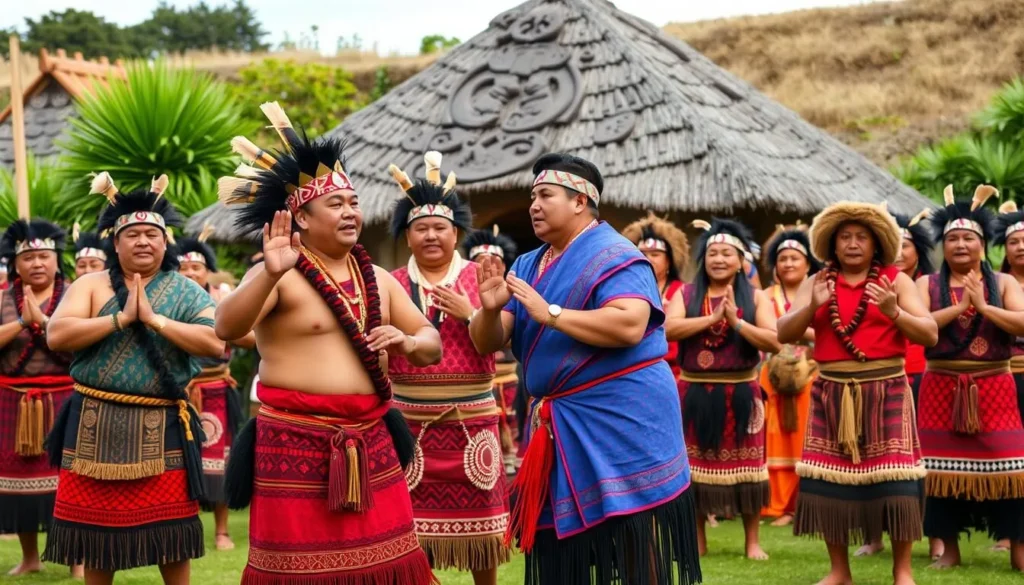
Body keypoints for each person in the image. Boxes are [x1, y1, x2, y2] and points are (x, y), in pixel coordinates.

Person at [214, 103, 439, 585]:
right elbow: (226, 328)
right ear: (301, 217)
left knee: (390, 562)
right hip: (294, 439)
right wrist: (267, 274)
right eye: (336, 205)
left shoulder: (378, 277)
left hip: (372, 437)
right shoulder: (278, 273)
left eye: (353, 203)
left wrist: (406, 339)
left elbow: (432, 341)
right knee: (297, 570)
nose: (350, 212)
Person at [469, 153, 701, 585]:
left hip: (619, 411)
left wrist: (550, 312)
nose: (534, 205)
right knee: (561, 538)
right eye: (532, 196)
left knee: (629, 530)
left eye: (545, 195)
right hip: (558, 419)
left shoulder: (617, 254)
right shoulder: (526, 264)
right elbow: (487, 340)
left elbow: (631, 323)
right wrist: (487, 309)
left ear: (580, 201)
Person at [42, 172, 225, 585]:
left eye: (152, 234)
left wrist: (156, 320)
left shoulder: (186, 291)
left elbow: (215, 343)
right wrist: (120, 319)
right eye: (133, 234)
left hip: (162, 422)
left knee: (172, 531)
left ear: (166, 242)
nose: (143, 241)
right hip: (94, 419)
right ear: (115, 240)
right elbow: (58, 334)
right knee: (93, 533)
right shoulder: (90, 284)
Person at [779, 201, 937, 585]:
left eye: (861, 237)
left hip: (888, 389)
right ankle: (839, 571)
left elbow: (929, 333)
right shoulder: (816, 282)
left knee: (897, 481)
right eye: (845, 237)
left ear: (876, 243)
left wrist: (894, 311)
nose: (852, 244)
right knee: (827, 479)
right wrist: (811, 308)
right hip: (831, 391)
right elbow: (783, 333)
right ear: (833, 245)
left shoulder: (895, 280)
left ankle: (902, 572)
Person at [387, 153, 511, 583]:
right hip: (409, 420)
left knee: (482, 527)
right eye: (421, 227)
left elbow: (493, 342)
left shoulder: (481, 276)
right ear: (408, 236)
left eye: (440, 227)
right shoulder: (392, 283)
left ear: (456, 233)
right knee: (404, 526)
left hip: (470, 418)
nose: (431, 235)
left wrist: (470, 312)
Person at [916, 185, 1024, 572]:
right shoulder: (925, 285)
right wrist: (960, 307)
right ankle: (950, 550)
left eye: (968, 238)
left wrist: (982, 307)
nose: (960, 245)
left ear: (982, 244)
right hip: (940, 387)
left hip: (995, 386)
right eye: (952, 239)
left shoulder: (1006, 283)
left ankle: (1019, 549)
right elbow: (918, 327)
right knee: (939, 474)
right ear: (942, 246)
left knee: (1012, 471)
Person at [665, 217, 780, 560]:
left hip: (742, 393)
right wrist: (710, 320)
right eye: (712, 252)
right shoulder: (686, 293)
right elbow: (667, 329)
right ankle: (698, 539)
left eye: (726, 253)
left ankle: (752, 541)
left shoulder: (756, 297)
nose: (718, 259)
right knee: (694, 470)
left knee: (749, 469)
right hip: (694, 392)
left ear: (741, 259)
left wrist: (736, 322)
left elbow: (774, 340)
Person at [856, 208, 938, 559]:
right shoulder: (864, 280)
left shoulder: (924, 285)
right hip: (874, 380)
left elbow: (932, 328)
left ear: (918, 250)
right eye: (897, 245)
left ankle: (934, 536)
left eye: (908, 245)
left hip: (922, 377)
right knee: (868, 461)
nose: (902, 252)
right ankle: (874, 535)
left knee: (916, 462)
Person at [0, 220, 74, 576]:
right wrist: (20, 323)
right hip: (13, 400)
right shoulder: (1, 297)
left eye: (44, 256)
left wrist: (44, 322)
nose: (37, 264)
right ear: (16, 264)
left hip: (66, 398)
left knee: (73, 481)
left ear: (57, 260)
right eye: (28, 257)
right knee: (20, 482)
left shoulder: (77, 293)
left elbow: (83, 342)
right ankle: (30, 558)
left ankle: (79, 562)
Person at [176, 225, 255, 551]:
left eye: (197, 267)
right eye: (184, 268)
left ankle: (222, 531)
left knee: (219, 462)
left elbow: (250, 340)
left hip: (216, 389)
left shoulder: (223, 299)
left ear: (208, 271)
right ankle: (184, 530)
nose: (191, 273)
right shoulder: (169, 300)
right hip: (178, 391)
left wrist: (220, 321)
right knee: (180, 462)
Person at [758, 225, 821, 528]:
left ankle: (801, 505)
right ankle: (775, 504)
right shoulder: (765, 296)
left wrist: (794, 328)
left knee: (806, 440)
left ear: (808, 263)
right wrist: (801, 329)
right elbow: (772, 331)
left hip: (811, 375)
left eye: (796, 258)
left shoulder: (817, 292)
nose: (789, 264)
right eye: (783, 259)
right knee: (774, 439)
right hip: (773, 377)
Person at [465, 225, 521, 475]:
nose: (487, 265)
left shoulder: (515, 291)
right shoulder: (460, 290)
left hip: (508, 376)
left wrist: (469, 314)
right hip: (477, 379)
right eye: (479, 261)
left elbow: (514, 335)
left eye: (494, 261)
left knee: (512, 418)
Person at [623, 211, 689, 378]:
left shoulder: (683, 291)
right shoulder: (624, 289)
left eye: (655, 254)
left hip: (674, 374)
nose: (648, 259)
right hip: (630, 371)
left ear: (669, 260)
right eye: (643, 254)